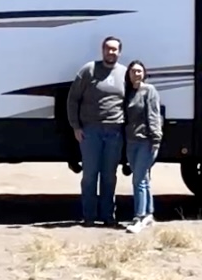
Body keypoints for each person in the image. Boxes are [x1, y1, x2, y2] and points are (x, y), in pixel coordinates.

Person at [67, 35, 127, 227]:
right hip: (90, 131)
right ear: (102, 50)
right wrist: (76, 126)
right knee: (90, 175)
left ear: (120, 52)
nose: (111, 52)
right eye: (108, 48)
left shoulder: (124, 73)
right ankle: (89, 216)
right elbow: (73, 99)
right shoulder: (89, 70)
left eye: (114, 49)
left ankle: (108, 216)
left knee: (109, 176)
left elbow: (131, 102)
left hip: (115, 131)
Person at [121, 61, 163, 233]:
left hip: (146, 141)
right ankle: (148, 214)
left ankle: (138, 218)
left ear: (144, 73)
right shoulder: (128, 93)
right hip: (131, 141)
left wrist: (156, 138)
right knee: (143, 179)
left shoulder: (149, 91)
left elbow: (154, 115)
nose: (136, 74)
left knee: (138, 180)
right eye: (133, 71)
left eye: (139, 71)